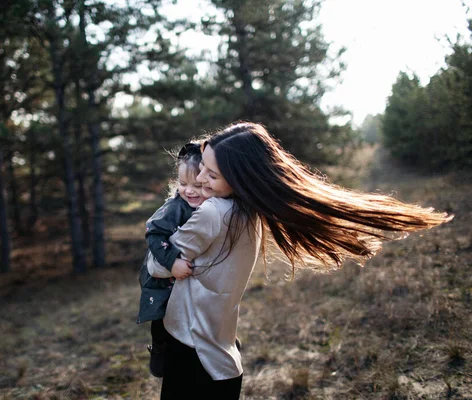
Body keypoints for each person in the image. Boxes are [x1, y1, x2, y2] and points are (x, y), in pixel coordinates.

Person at [150, 122, 452, 399]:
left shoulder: (211, 213)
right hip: (223, 353)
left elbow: (158, 265)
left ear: (239, 179)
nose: (200, 178)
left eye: (212, 175)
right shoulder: (249, 211)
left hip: (193, 351)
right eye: (202, 167)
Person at [137, 142, 204, 378]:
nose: (190, 191)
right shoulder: (175, 207)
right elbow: (153, 233)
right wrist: (172, 261)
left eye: (198, 184)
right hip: (161, 277)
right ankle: (159, 351)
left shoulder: (210, 207)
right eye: (183, 184)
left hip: (187, 283)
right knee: (162, 316)